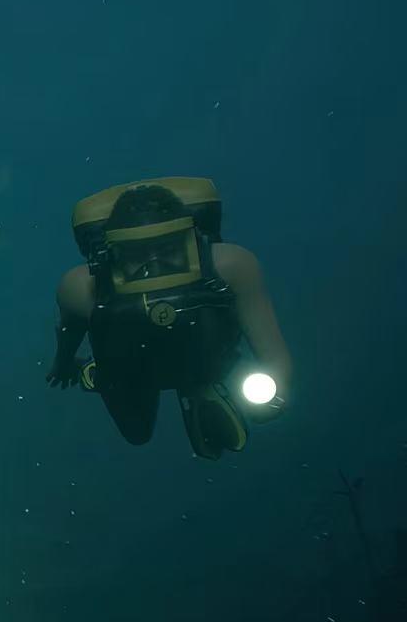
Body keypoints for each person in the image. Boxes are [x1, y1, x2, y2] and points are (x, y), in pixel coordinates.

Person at [46, 177, 292, 459]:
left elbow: (69, 333)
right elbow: (71, 330)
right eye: (138, 254)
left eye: (167, 250)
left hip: (195, 359)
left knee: (137, 431)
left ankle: (197, 386)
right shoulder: (80, 288)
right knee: (137, 433)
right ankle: (193, 387)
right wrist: (63, 362)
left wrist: (63, 364)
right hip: (131, 370)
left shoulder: (233, 266)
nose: (154, 265)